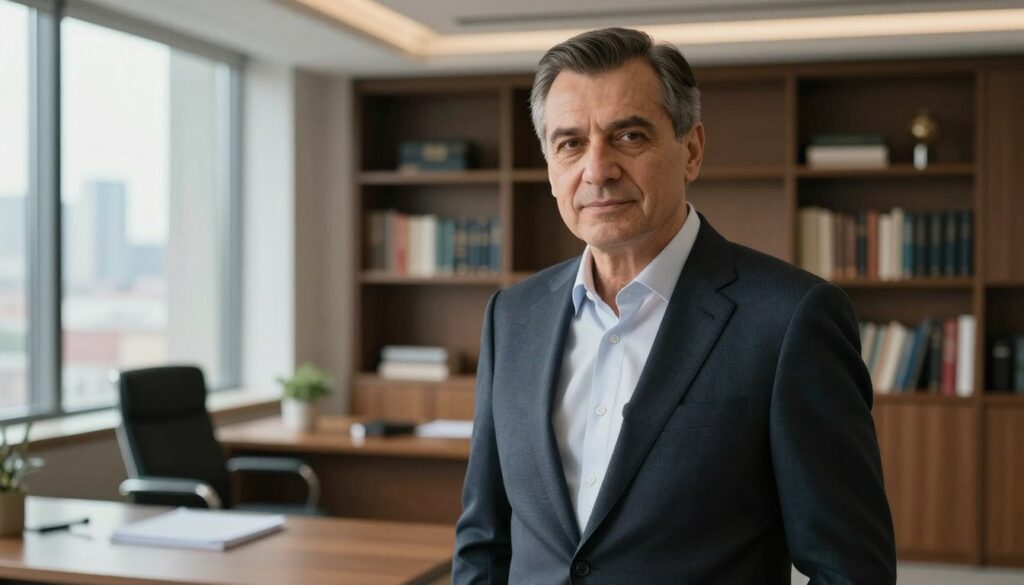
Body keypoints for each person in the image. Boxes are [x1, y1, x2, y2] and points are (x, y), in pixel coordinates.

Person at [452, 27, 895, 585]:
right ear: (549, 167)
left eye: (629, 136)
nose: (597, 170)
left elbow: (851, 569)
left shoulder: (789, 320)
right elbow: (484, 543)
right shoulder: (511, 317)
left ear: (691, 150)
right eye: (569, 143)